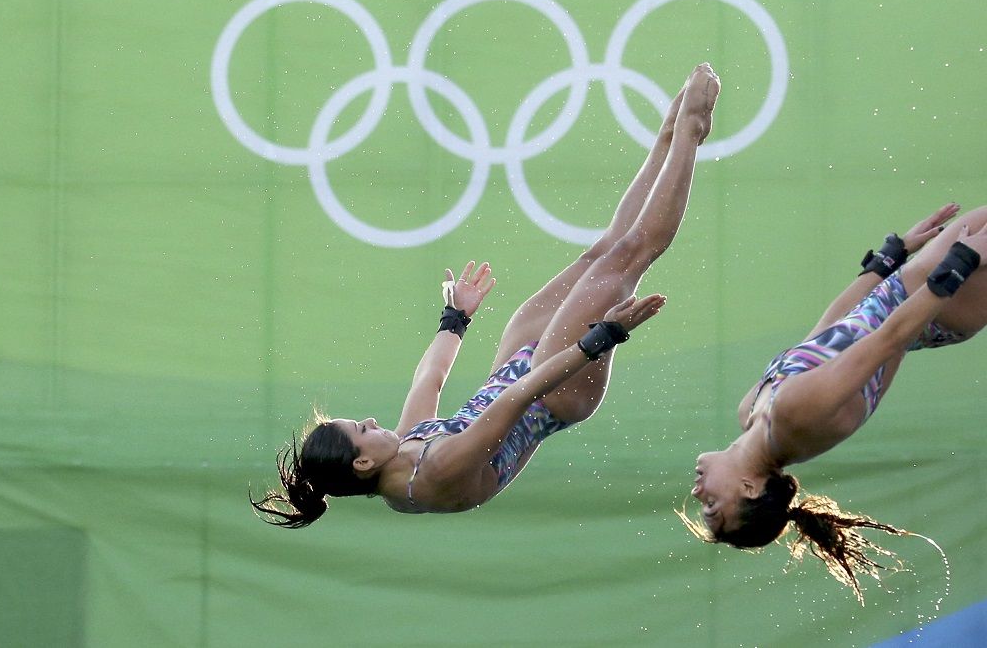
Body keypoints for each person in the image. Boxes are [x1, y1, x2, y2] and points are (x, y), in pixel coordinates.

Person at [251, 63, 721, 524]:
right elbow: (518, 399)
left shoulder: (398, 459)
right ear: (361, 464)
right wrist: (602, 336)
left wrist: (455, 318)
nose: (373, 421)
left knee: (598, 253)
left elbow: (428, 381)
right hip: (553, 389)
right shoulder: (435, 474)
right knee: (627, 256)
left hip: (518, 370)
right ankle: (690, 133)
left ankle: (665, 140)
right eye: (362, 429)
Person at [683, 201, 987, 602]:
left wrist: (889, 257)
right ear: (749, 489)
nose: (697, 494)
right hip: (936, 298)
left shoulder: (752, 412)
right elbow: (889, 338)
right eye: (713, 506)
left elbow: (829, 327)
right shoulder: (796, 420)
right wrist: (962, 261)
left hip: (916, 287)